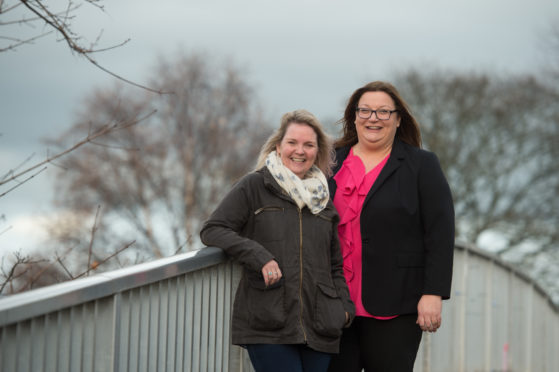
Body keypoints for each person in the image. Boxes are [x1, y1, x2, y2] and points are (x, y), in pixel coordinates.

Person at [200, 109, 355, 372]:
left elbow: (335, 267)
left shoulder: (323, 200)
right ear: (278, 146)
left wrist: (343, 311)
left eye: (309, 145)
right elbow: (213, 229)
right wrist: (259, 256)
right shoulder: (254, 186)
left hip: (321, 326)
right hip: (269, 321)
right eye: (292, 143)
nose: (300, 151)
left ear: (318, 152)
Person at [327, 81, 455, 372]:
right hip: (333, 301)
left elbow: (440, 233)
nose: (374, 118)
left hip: (397, 302)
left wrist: (433, 293)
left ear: (398, 119)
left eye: (384, 112)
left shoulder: (422, 164)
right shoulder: (330, 161)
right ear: (354, 117)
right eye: (366, 111)